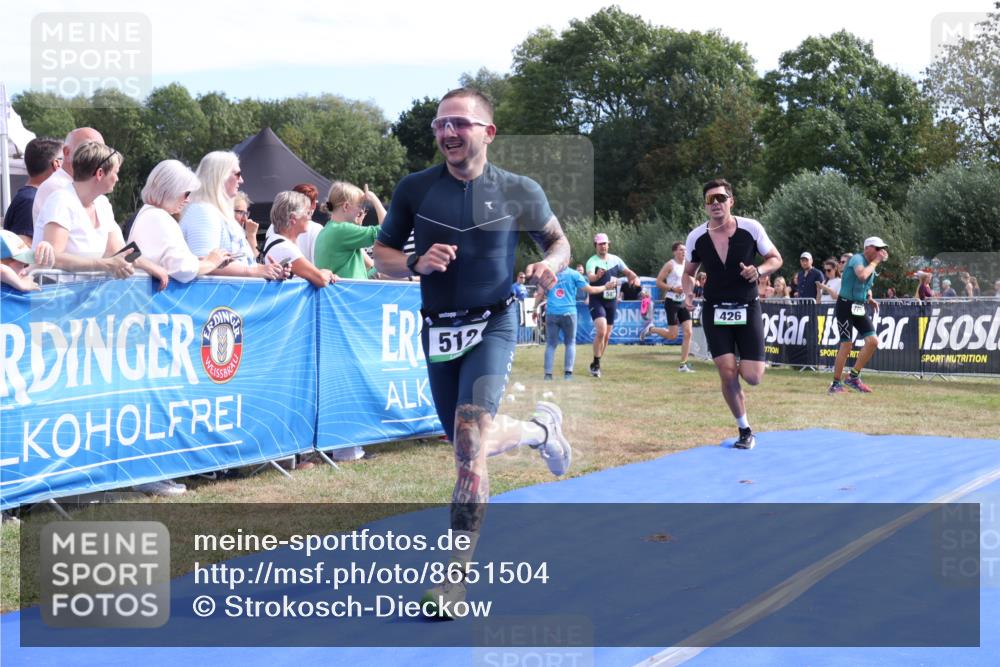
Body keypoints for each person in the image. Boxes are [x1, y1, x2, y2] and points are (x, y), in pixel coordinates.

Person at [372, 87, 572, 618]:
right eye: (440, 124)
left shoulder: (518, 189)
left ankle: (454, 578)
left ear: (488, 132)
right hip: (438, 327)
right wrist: (415, 262)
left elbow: (558, 242)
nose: (447, 132)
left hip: (495, 321)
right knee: (467, 443)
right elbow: (382, 256)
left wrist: (550, 264)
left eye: (459, 123)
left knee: (467, 443)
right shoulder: (415, 188)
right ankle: (539, 431)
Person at [682, 178, 783, 450]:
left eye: (721, 198)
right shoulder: (696, 237)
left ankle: (740, 376)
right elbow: (687, 274)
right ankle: (744, 429)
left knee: (752, 376)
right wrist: (688, 293)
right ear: (705, 206)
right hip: (715, 310)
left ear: (731, 201)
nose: (716, 203)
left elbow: (776, 258)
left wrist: (759, 271)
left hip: (747, 307)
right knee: (727, 372)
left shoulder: (751, 228)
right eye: (710, 200)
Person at [34, 141, 168, 288]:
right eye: (116, 172)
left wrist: (151, 267)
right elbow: (54, 258)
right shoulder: (61, 200)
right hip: (54, 297)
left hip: (85, 297)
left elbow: (118, 250)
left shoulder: (103, 204)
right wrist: (106, 264)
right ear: (99, 173)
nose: (117, 179)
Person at [180, 152, 285, 280]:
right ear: (220, 175)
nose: (241, 180)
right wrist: (254, 271)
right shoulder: (203, 211)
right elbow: (203, 264)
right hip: (217, 298)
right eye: (237, 174)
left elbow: (241, 264)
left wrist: (270, 270)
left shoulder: (216, 212)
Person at [128, 160, 231, 283]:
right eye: (186, 194)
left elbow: (166, 261)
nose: (188, 200)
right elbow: (182, 269)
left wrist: (200, 262)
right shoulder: (160, 217)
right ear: (172, 190)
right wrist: (211, 262)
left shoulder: (147, 214)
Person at [828, 237, 889, 394]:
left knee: (873, 341)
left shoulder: (871, 265)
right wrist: (875, 262)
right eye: (878, 248)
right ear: (868, 248)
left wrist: (870, 298)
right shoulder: (857, 258)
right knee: (847, 344)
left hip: (859, 306)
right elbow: (861, 275)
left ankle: (853, 377)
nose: (880, 252)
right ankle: (835, 384)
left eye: (882, 249)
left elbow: (866, 285)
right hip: (845, 305)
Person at [543, 263, 610, 380]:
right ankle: (568, 374)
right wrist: (605, 287)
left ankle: (548, 375)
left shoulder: (548, 273)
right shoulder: (574, 274)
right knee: (570, 343)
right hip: (569, 312)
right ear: (569, 260)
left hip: (551, 312)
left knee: (551, 344)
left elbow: (540, 293)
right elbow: (591, 289)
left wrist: (534, 308)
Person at [585, 232, 639, 377]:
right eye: (600, 244)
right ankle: (596, 366)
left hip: (611, 301)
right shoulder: (592, 261)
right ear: (595, 246)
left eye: (605, 243)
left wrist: (634, 277)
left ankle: (595, 362)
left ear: (609, 244)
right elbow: (590, 276)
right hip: (597, 299)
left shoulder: (616, 259)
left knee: (607, 336)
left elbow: (628, 272)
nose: (603, 246)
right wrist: (597, 276)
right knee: (601, 331)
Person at [262, 191, 337, 288]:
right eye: (308, 213)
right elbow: (321, 279)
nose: (310, 218)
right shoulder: (285, 248)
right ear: (293, 218)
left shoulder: (275, 240)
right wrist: (328, 272)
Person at [314, 181, 386, 279]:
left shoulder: (326, 230)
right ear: (346, 206)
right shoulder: (342, 230)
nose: (361, 211)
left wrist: (357, 229)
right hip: (347, 293)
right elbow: (386, 230)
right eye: (359, 206)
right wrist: (374, 199)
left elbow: (365, 272)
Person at [31, 127, 104, 224]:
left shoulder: (96, 196)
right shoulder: (57, 188)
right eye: (87, 149)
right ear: (67, 152)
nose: (96, 156)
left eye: (101, 151)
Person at [644, 241, 695, 372]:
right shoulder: (670, 264)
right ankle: (652, 329)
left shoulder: (688, 264)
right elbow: (658, 282)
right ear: (674, 252)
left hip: (683, 302)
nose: (684, 252)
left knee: (688, 332)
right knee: (672, 335)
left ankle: (683, 364)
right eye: (680, 250)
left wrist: (691, 287)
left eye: (685, 250)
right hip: (671, 302)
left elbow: (692, 280)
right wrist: (672, 288)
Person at [3, 137, 63, 244]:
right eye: (65, 159)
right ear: (56, 164)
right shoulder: (30, 201)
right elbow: (24, 248)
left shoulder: (31, 197)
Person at [233, 191, 259, 259]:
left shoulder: (240, 233)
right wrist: (251, 235)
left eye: (246, 213)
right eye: (240, 212)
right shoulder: (223, 234)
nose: (244, 218)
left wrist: (252, 235)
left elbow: (253, 261)